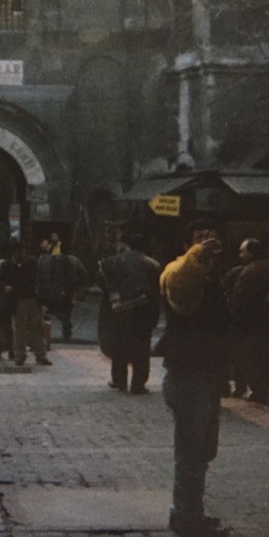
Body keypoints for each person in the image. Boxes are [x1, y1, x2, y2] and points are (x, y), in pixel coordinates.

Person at [158, 219, 230, 537]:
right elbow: (183, 286)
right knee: (191, 451)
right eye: (200, 237)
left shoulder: (212, 278)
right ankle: (186, 516)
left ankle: (190, 512)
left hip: (205, 374)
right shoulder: (179, 271)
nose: (208, 242)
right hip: (189, 376)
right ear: (188, 244)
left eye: (213, 237)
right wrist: (197, 256)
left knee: (201, 450)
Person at [98, 233, 160, 394]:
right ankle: (138, 384)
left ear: (129, 246)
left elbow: (106, 289)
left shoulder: (114, 262)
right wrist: (154, 316)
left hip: (120, 312)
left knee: (119, 346)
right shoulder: (152, 264)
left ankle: (119, 381)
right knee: (141, 349)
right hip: (143, 312)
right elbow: (156, 293)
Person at [225, 237, 269, 404]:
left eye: (242, 251)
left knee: (248, 357)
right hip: (263, 322)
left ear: (252, 252)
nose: (240, 255)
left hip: (250, 323)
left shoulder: (248, 271)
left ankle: (255, 391)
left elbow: (239, 299)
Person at [0, 239, 51, 366]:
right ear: (13, 253)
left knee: (37, 328)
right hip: (17, 300)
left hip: (32, 298)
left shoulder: (31, 263)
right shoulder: (6, 265)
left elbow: (39, 279)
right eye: (18, 252)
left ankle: (40, 355)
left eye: (22, 252)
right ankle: (20, 356)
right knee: (19, 329)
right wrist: (5, 287)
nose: (20, 255)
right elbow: (0, 281)